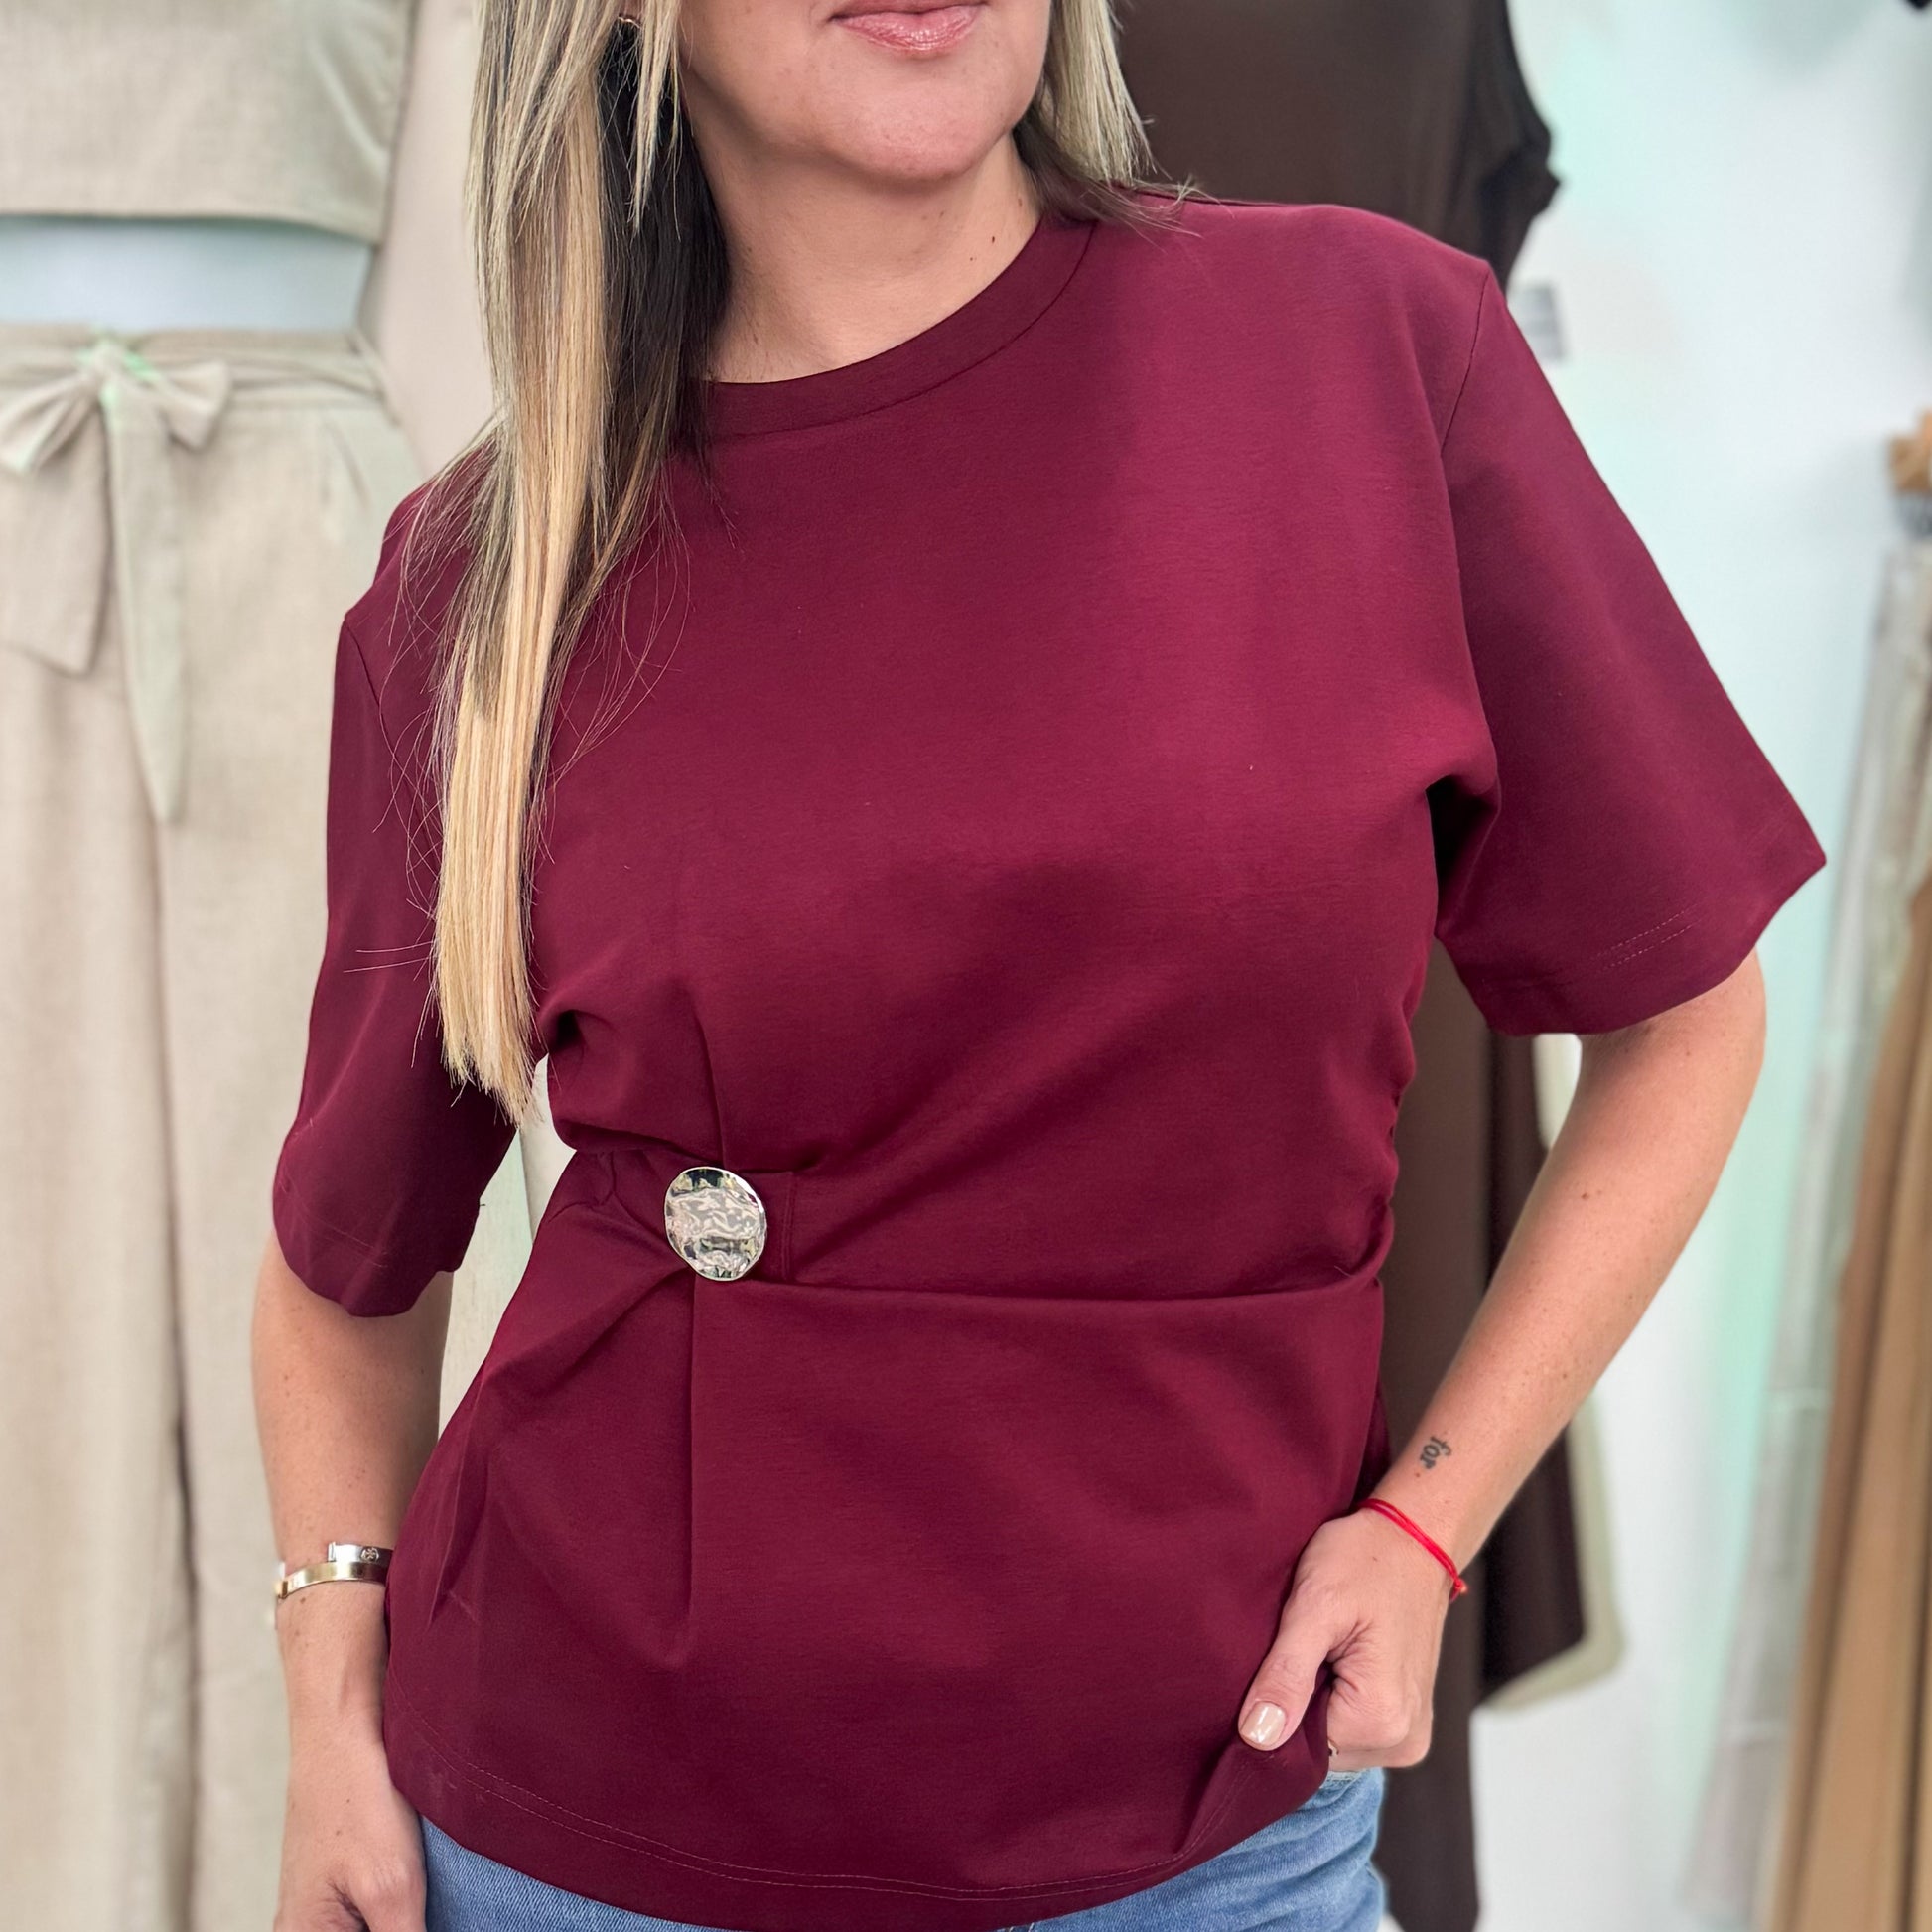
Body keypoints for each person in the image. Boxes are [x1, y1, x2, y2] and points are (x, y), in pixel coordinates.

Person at [252, 3, 1827, 1930]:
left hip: (1209, 1833)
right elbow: (344, 1262)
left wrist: (1428, 1521)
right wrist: (328, 1699)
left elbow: (1685, 1016)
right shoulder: (484, 580)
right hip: (580, 1833)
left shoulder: (1365, 350)